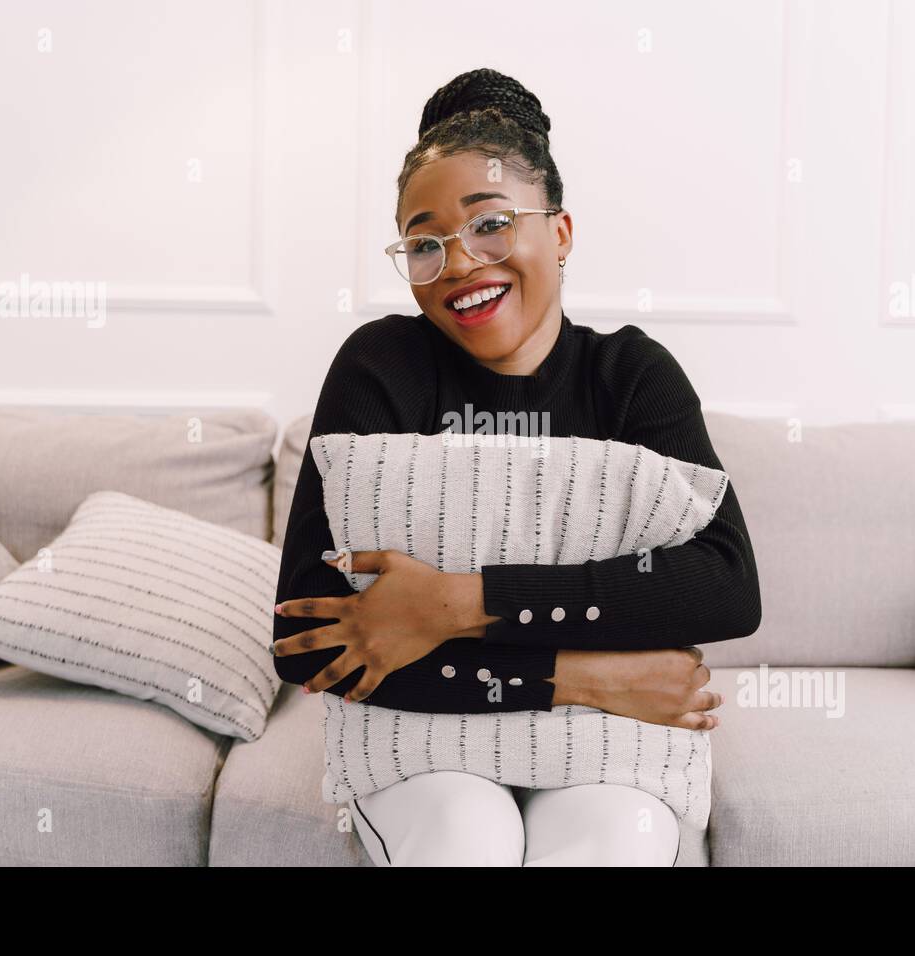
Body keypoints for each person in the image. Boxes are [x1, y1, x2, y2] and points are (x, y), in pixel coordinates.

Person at [272, 67, 761, 866]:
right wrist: (587, 677)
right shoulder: (380, 368)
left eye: (490, 224)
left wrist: (456, 604)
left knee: (610, 842)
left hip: (607, 750)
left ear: (560, 233)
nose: (459, 261)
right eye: (425, 244)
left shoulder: (634, 377)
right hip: (425, 743)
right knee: (466, 839)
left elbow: (724, 587)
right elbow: (312, 643)